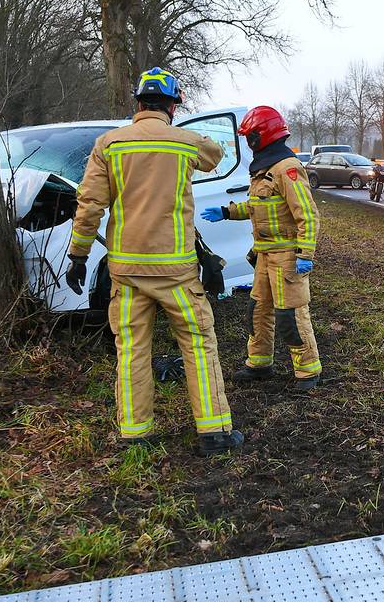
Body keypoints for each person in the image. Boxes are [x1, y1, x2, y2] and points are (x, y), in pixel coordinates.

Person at [66, 67, 243, 456]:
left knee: (131, 350)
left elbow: (90, 203)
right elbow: (216, 155)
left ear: (139, 102)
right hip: (177, 272)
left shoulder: (109, 144)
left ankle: (135, 433)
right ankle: (214, 432)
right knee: (198, 345)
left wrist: (78, 255)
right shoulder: (184, 143)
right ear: (173, 106)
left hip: (126, 272)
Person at [201, 106, 322, 389]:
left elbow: (308, 214)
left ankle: (308, 370)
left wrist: (305, 254)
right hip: (265, 255)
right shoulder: (265, 169)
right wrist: (227, 211)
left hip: (287, 257)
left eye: (250, 136)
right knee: (258, 311)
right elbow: (259, 206)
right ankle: (259, 364)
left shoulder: (287, 168)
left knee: (290, 314)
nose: (247, 141)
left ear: (262, 135)